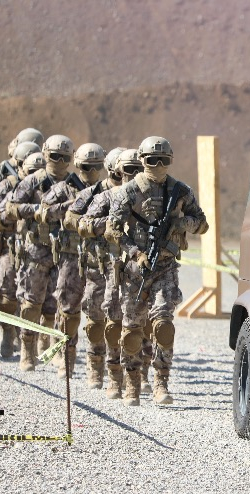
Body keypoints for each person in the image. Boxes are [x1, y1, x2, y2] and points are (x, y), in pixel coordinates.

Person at [106, 136, 208, 406]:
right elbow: (112, 230)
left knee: (163, 324)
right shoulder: (129, 191)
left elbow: (202, 223)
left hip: (165, 267)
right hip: (135, 271)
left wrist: (182, 223)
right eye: (153, 160)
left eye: (164, 160)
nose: (158, 165)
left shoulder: (180, 191)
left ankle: (161, 383)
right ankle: (132, 384)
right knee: (132, 330)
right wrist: (135, 253)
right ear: (142, 160)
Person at [78, 148, 150, 398]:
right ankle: (110, 374)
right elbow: (82, 224)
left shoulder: (150, 198)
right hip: (111, 268)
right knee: (112, 320)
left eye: (139, 169)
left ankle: (140, 375)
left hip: (140, 269)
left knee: (142, 323)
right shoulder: (106, 197)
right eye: (129, 170)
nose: (135, 174)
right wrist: (108, 224)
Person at [2, 134, 74, 371]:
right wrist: (38, 211)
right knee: (32, 302)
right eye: (54, 156)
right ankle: (27, 350)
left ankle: (56, 348)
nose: (59, 161)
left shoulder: (74, 184)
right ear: (45, 154)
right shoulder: (34, 181)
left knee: (63, 304)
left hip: (65, 252)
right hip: (36, 251)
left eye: (64, 157)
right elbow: (11, 208)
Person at [44, 142, 106, 379]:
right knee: (68, 310)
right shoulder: (64, 188)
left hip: (98, 259)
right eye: (87, 166)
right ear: (78, 165)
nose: (91, 171)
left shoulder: (105, 190)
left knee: (97, 312)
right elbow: (44, 212)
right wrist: (70, 206)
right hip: (71, 258)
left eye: (96, 166)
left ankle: (95, 364)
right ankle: (66, 359)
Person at [0, 141, 41, 357]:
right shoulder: (9, 184)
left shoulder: (42, 184)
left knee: (33, 296)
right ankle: (8, 333)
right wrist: (8, 216)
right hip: (10, 245)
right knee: (7, 292)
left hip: (34, 247)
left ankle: (29, 340)